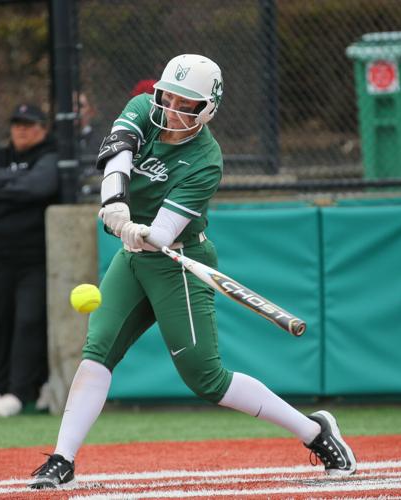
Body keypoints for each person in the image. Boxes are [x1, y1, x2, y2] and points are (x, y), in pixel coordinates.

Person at [28, 54, 357, 489]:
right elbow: (117, 159)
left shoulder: (206, 160)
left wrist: (139, 231)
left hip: (179, 262)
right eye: (170, 98)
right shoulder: (142, 108)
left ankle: (315, 432)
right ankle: (62, 459)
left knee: (206, 379)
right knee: (98, 350)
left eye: (188, 104)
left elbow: (164, 234)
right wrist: (116, 207)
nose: (174, 110)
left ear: (207, 110)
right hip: (133, 260)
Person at [0, 103, 59, 418]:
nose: (21, 130)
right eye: (17, 124)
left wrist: (2, 186)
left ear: (42, 129)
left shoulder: (49, 155)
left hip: (33, 257)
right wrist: (16, 182)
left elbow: (41, 185)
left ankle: (19, 393)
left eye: (28, 124)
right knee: (2, 321)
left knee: (28, 321)